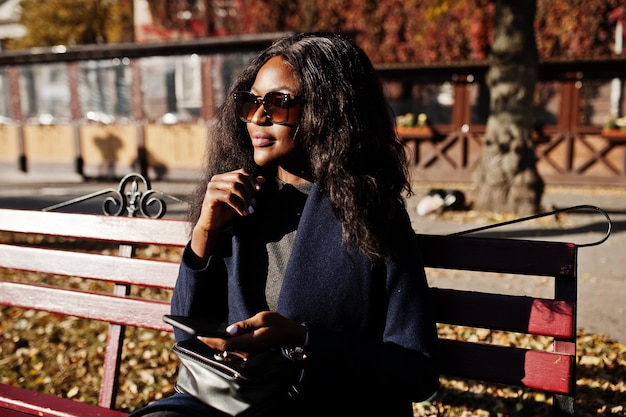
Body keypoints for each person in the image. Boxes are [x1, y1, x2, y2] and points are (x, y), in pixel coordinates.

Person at [130, 32, 439, 417]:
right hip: (229, 402)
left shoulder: (373, 214)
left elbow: (417, 372)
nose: (258, 117)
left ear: (329, 110)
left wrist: (303, 340)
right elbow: (186, 334)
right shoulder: (241, 200)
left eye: (279, 103)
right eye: (251, 101)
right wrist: (204, 234)